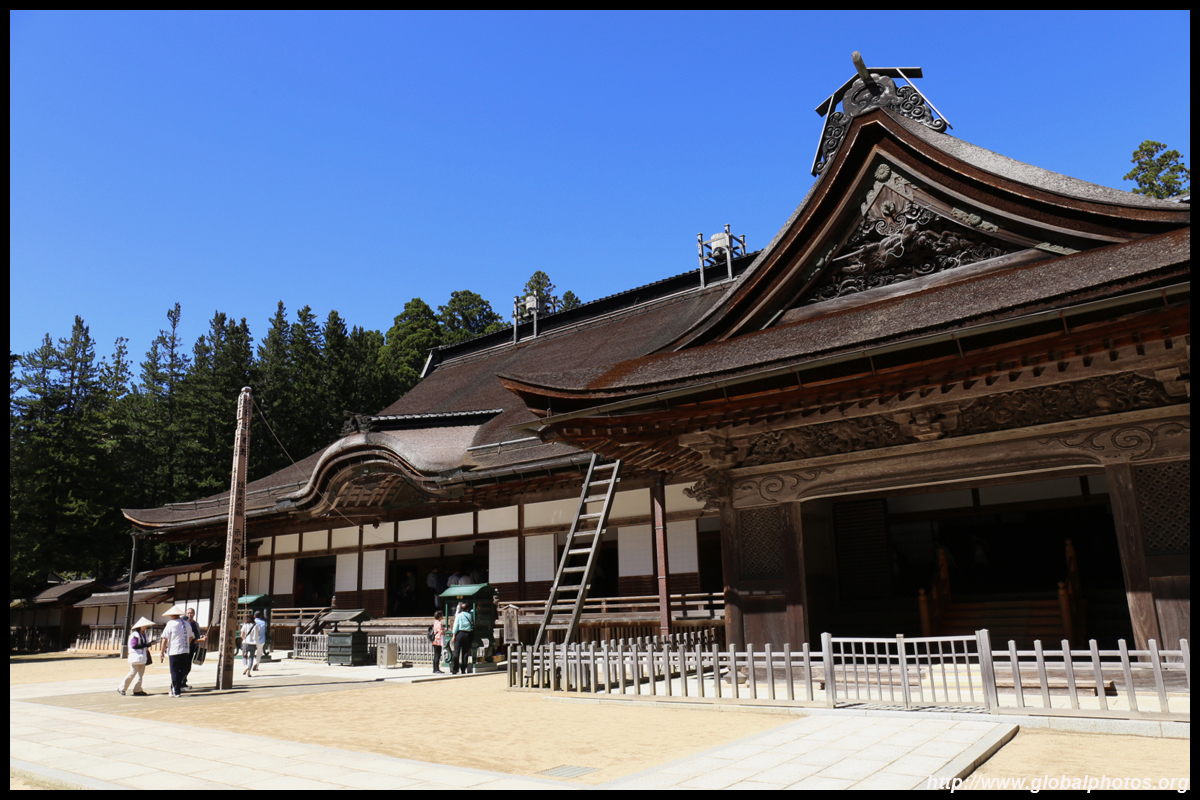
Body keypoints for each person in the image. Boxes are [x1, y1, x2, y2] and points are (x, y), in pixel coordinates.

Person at [159, 605, 194, 697]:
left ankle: (176, 691)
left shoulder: (171, 623)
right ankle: (175, 689)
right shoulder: (187, 623)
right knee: (182, 671)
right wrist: (186, 644)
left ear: (172, 615)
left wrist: (162, 652)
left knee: (174, 671)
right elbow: (191, 637)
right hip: (185, 650)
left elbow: (164, 639)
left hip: (174, 650)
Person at [118, 617, 155, 696]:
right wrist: (147, 644)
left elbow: (143, 645)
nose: (146, 627)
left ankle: (137, 689)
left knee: (140, 674)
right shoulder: (135, 635)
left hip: (142, 656)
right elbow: (134, 645)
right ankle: (122, 688)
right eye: (145, 625)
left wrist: (149, 644)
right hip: (135, 656)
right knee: (133, 672)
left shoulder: (144, 634)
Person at [182, 607, 204, 690]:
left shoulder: (195, 624)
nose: (189, 615)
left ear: (194, 614)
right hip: (184, 648)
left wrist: (201, 638)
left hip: (192, 647)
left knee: (188, 666)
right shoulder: (184, 624)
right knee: (184, 665)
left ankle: (183, 682)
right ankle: (181, 683)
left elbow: (197, 634)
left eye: (191, 613)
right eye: (188, 613)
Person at [450, 601, 474, 675]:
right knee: (465, 652)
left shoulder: (459, 615)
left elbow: (455, 626)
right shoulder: (470, 615)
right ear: (467, 609)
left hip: (459, 633)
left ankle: (455, 669)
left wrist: (454, 635)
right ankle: (463, 669)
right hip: (467, 634)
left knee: (456, 652)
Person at [240, 611, 260, 676]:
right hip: (253, 643)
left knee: (244, 656)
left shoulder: (245, 625)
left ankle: (245, 666)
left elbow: (242, 635)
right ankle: (249, 672)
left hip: (246, 642)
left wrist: (244, 638)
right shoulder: (256, 626)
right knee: (251, 657)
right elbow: (258, 634)